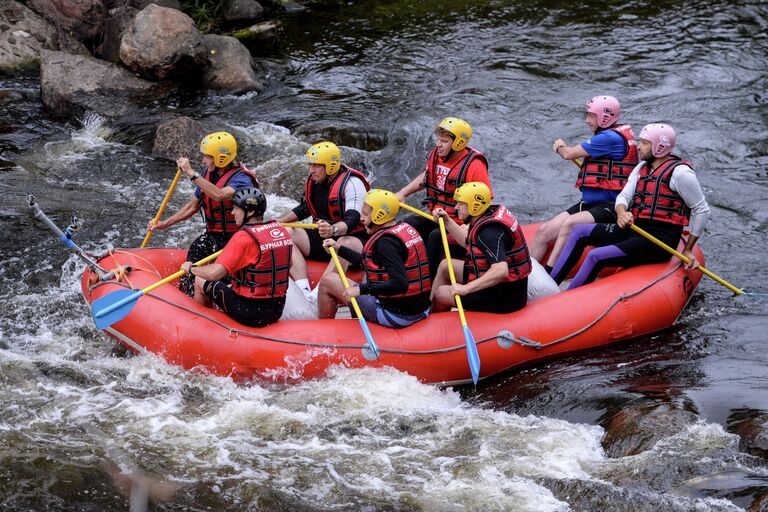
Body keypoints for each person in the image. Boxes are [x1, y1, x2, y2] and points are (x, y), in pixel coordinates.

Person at [550, 123, 710, 289]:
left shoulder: (681, 173)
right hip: (634, 229)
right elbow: (624, 197)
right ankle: (550, 286)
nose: (639, 147)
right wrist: (621, 213)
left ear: (659, 147)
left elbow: (702, 209)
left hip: (658, 241)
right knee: (578, 231)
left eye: (645, 143)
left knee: (595, 255)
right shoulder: (642, 168)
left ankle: (567, 298)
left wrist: (688, 249)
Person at [530, 95, 638, 272]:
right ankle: (525, 278)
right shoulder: (611, 135)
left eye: (591, 116)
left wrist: (559, 146)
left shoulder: (609, 138)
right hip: (590, 204)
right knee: (544, 231)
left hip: (611, 206)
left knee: (570, 224)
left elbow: (568, 154)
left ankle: (550, 274)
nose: (587, 120)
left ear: (605, 117)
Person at [147, 132, 258, 296]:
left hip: (237, 238)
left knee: (225, 275)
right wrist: (164, 223)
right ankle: (188, 297)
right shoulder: (207, 174)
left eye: (207, 157)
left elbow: (219, 195)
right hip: (213, 234)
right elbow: (192, 206)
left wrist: (192, 174)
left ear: (221, 158)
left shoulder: (242, 179)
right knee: (194, 256)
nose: (203, 161)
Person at [317, 189, 432, 328]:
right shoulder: (401, 229)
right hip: (421, 310)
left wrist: (361, 290)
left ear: (379, 215)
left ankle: (322, 331)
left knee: (328, 281)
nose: (361, 218)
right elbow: (369, 263)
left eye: (365, 213)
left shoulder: (385, 244)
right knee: (369, 275)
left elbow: (400, 284)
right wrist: (338, 249)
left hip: (396, 316)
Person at [395, 117, 493, 278]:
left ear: (458, 144)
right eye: (438, 140)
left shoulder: (474, 165)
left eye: (444, 141)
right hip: (436, 216)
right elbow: (427, 177)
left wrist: (472, 226)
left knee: (435, 237)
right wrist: (403, 193)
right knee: (407, 225)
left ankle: (430, 281)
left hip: (458, 223)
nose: (438, 145)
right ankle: (404, 271)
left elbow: (486, 200)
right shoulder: (437, 155)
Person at [181, 187, 292, 327]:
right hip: (277, 308)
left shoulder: (243, 237)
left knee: (199, 280)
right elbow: (290, 265)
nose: (232, 213)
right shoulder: (281, 231)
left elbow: (214, 274)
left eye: (236, 209)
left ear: (250, 212)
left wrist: (191, 268)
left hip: (250, 312)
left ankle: (199, 326)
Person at [276, 141, 370, 302]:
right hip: (324, 238)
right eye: (311, 165)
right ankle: (304, 289)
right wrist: (279, 222)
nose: (311, 170)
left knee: (346, 241)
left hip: (353, 243)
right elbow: (304, 208)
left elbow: (353, 219)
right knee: (287, 232)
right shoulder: (316, 181)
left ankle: (319, 292)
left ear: (331, 166)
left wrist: (332, 230)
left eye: (316, 165)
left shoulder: (353, 183)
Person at [431, 182, 531, 314]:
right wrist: (447, 221)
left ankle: (434, 326)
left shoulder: (489, 233)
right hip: (498, 287)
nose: (456, 207)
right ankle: (428, 313)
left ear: (475, 206)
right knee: (445, 266)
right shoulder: (484, 216)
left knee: (441, 293)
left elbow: (501, 271)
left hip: (505, 296)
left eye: (461, 204)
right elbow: (469, 243)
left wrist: (466, 288)